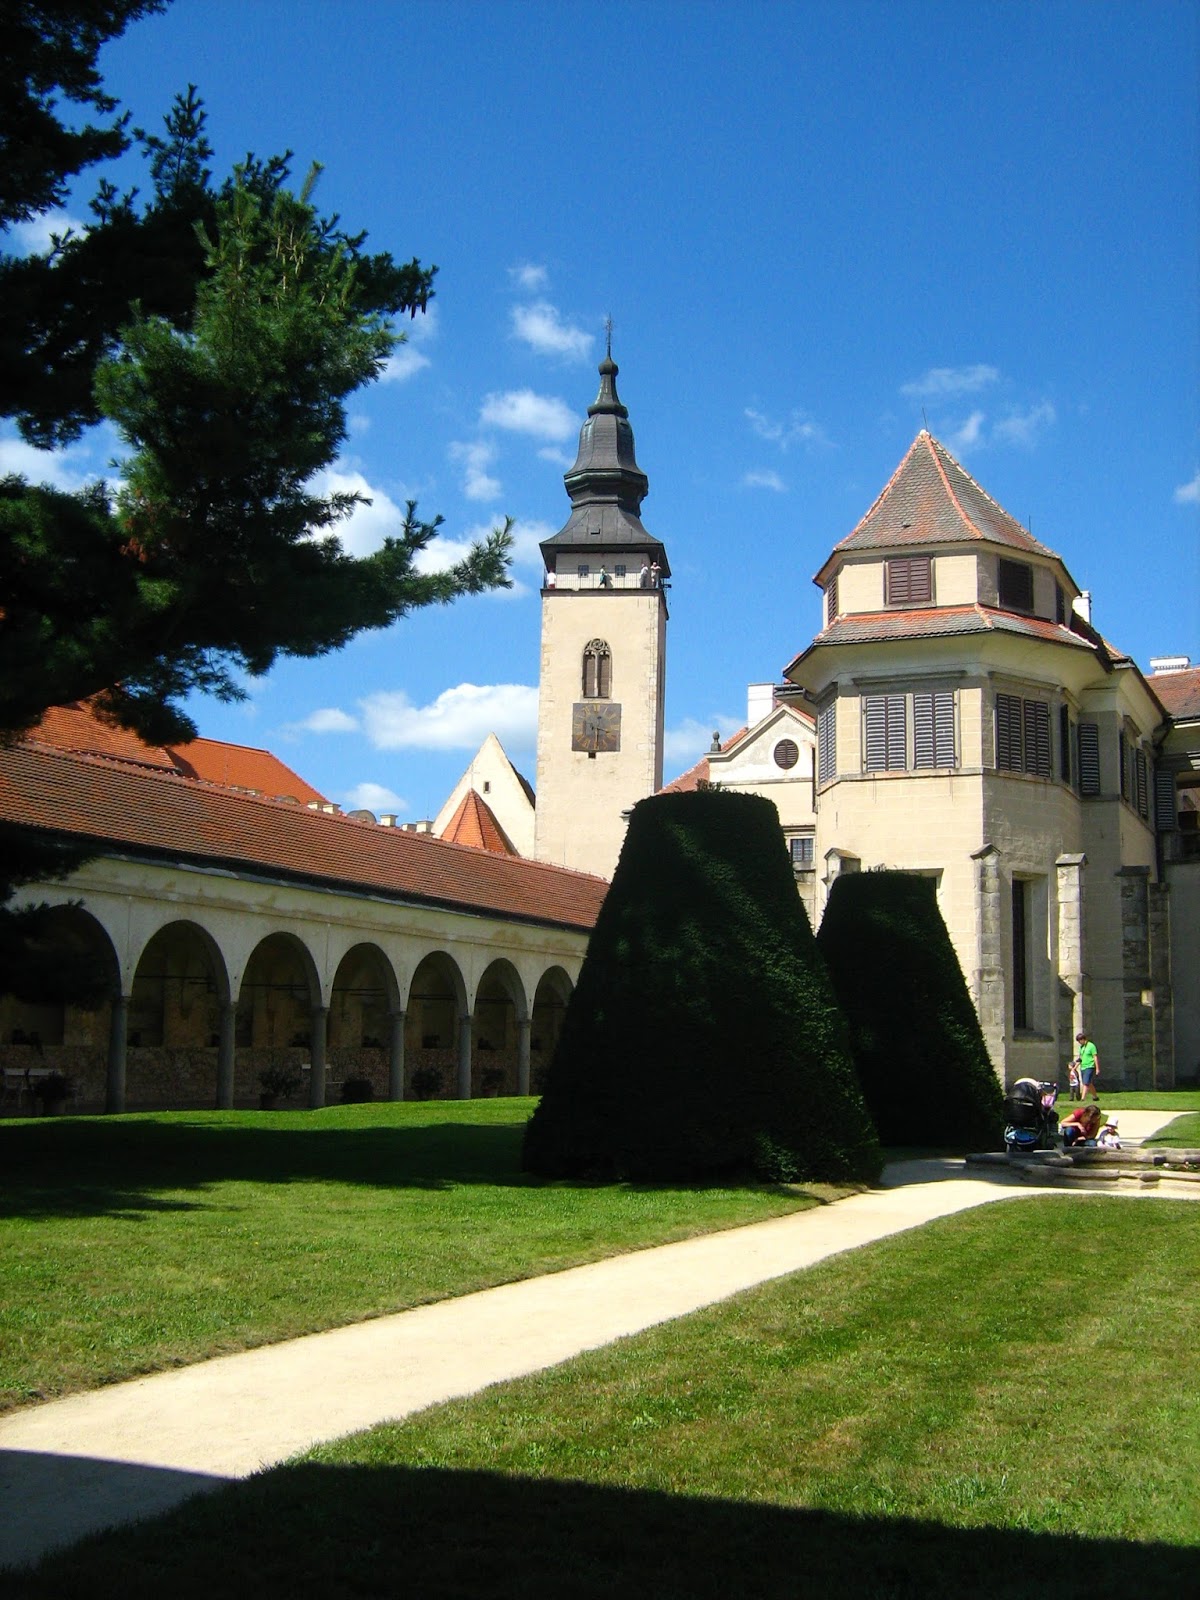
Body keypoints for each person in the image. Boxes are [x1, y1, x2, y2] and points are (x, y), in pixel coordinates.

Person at [1076, 1031, 1099, 1100]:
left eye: (1080, 1041)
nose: (1079, 1042)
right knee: (1088, 1082)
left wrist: (1097, 1068)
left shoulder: (1091, 1046)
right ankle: (1095, 1097)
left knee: (1085, 1083)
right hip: (1083, 1067)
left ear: (1083, 1039)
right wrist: (1075, 1067)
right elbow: (1081, 1058)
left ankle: (1083, 1098)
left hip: (1090, 1066)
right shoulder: (1082, 1047)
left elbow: (1095, 1057)